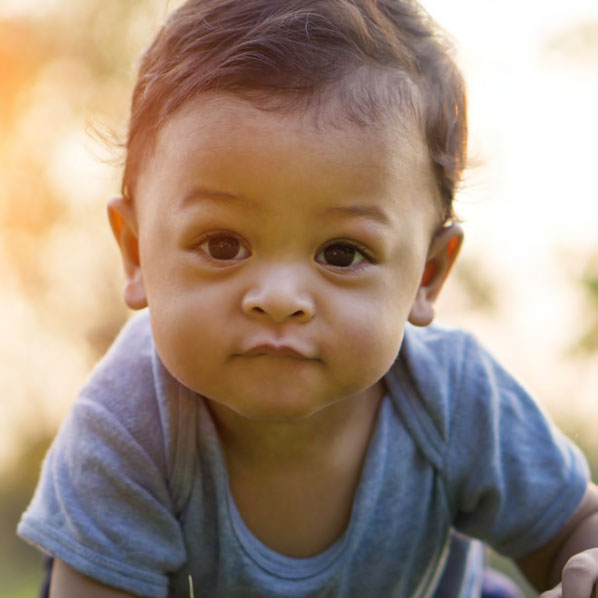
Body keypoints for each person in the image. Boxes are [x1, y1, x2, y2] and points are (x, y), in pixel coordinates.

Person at [17, 0, 598, 596]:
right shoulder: (126, 428)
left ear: (426, 276)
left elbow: (576, 528)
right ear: (137, 254)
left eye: (342, 253)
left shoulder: (455, 400)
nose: (279, 297)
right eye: (222, 244)